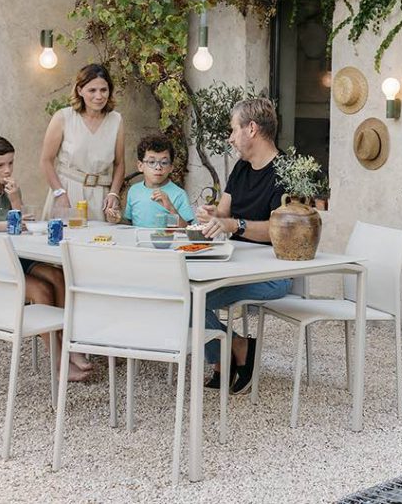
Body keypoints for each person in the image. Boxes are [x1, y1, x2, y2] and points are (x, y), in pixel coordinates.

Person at [0, 135, 92, 381]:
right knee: (41, 290)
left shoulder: (10, 190)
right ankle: (58, 362)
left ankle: (68, 344)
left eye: (11, 163)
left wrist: (15, 198)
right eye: (0, 165)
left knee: (59, 276)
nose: (7, 170)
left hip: (20, 258)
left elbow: (23, 225)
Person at [195, 97, 287, 394]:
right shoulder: (241, 168)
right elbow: (224, 212)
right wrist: (213, 214)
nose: (230, 138)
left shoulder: (285, 172)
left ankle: (227, 358)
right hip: (238, 263)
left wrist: (235, 225)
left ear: (251, 129)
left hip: (272, 274)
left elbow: (278, 232)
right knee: (188, 293)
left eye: (233, 130)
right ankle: (236, 348)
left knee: (195, 298)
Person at [40, 64, 125, 223]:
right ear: (80, 91)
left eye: (103, 90)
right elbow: (46, 160)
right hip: (67, 192)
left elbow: (120, 164)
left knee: (98, 244)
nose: (99, 96)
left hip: (100, 196)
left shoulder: (116, 120)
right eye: (92, 90)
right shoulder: (63, 117)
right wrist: (59, 193)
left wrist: (113, 194)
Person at [116, 134, 195, 228]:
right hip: (139, 241)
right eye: (152, 162)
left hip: (167, 241)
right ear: (140, 166)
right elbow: (130, 223)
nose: (158, 167)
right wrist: (116, 218)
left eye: (164, 163)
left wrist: (170, 208)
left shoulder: (179, 194)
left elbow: (186, 229)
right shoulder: (134, 191)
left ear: (171, 167)